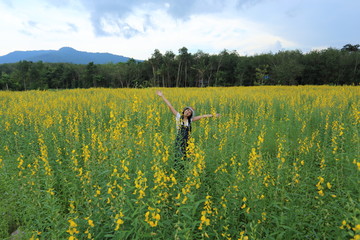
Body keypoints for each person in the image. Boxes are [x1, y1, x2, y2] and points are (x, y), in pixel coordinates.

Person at [156, 90, 220, 168]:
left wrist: (213, 115)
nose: (188, 112)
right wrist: (162, 96)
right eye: (187, 110)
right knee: (178, 155)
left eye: (190, 112)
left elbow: (202, 116)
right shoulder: (178, 117)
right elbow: (170, 106)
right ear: (184, 111)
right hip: (179, 140)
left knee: (187, 156)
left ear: (190, 115)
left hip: (188, 141)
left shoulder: (190, 120)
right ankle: (177, 169)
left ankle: (185, 169)